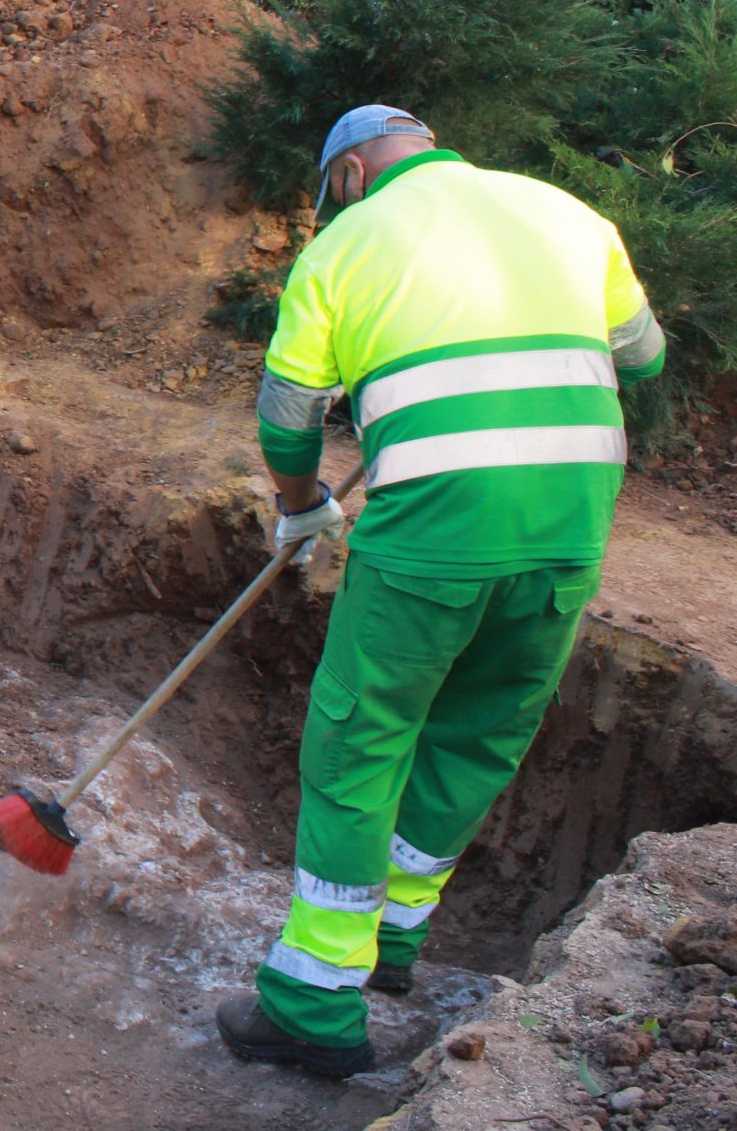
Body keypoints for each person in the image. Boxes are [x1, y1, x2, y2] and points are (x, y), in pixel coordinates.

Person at [219, 106, 666, 1078]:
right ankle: (389, 942)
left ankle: (309, 1003)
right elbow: (644, 356)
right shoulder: (566, 214)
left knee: (357, 737)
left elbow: (288, 415)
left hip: (436, 532)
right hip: (568, 527)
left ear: (345, 175)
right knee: (472, 736)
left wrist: (299, 510)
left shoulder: (346, 244)